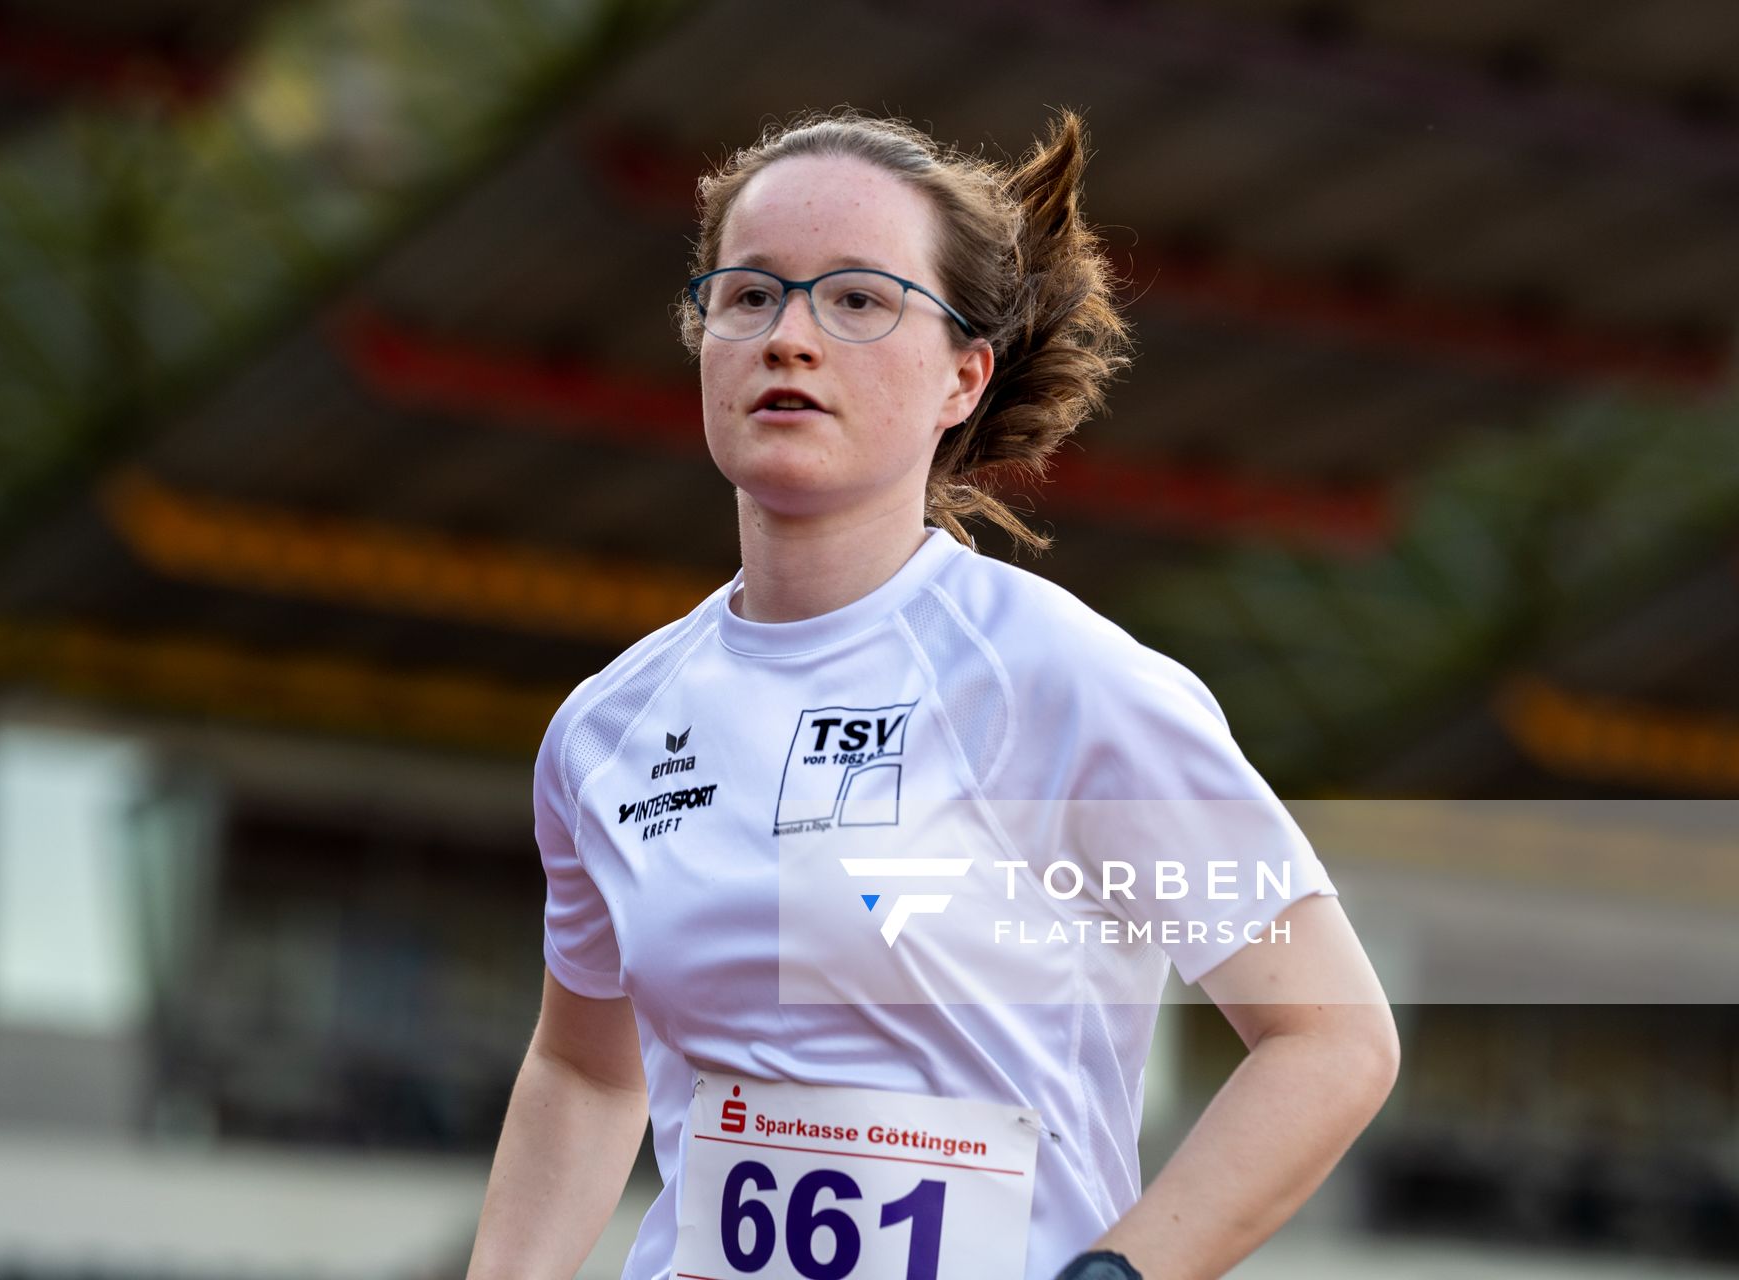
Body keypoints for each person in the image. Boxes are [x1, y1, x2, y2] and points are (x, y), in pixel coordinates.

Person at [467, 107, 1399, 1280]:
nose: (789, 337)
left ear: (964, 375)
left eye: (857, 299)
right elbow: (584, 1068)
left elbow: (1332, 1040)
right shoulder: (609, 727)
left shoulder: (1067, 683)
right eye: (749, 295)